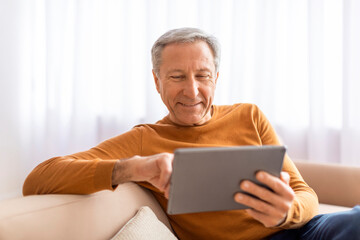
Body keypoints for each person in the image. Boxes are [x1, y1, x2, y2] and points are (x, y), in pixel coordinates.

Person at [23, 28, 359, 239]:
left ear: (216, 77)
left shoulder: (249, 115)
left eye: (202, 75)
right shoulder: (144, 139)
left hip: (301, 231)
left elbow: (304, 192)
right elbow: (38, 178)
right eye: (176, 77)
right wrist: (134, 168)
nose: (192, 90)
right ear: (156, 81)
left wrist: (288, 212)